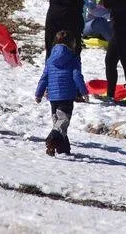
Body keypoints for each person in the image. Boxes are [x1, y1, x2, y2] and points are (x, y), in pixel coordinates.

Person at [35, 29, 89, 157]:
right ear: (71, 43)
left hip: (53, 97)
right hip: (66, 96)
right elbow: (77, 75)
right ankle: (51, 141)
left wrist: (38, 93)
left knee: (57, 123)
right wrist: (83, 91)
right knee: (62, 122)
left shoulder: (50, 59)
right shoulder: (73, 58)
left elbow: (44, 76)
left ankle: (62, 148)